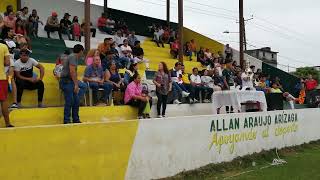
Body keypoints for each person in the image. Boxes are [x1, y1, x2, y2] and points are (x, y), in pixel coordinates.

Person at [60, 44, 87, 124]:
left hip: (70, 81)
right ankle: (67, 120)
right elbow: (72, 71)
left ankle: (76, 119)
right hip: (66, 81)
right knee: (70, 101)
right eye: (83, 52)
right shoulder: (73, 57)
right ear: (81, 51)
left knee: (76, 101)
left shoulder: (73, 57)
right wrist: (76, 84)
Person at [0, 42, 14, 127]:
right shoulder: (3, 46)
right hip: (1, 77)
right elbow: (7, 63)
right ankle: (7, 123)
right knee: (3, 101)